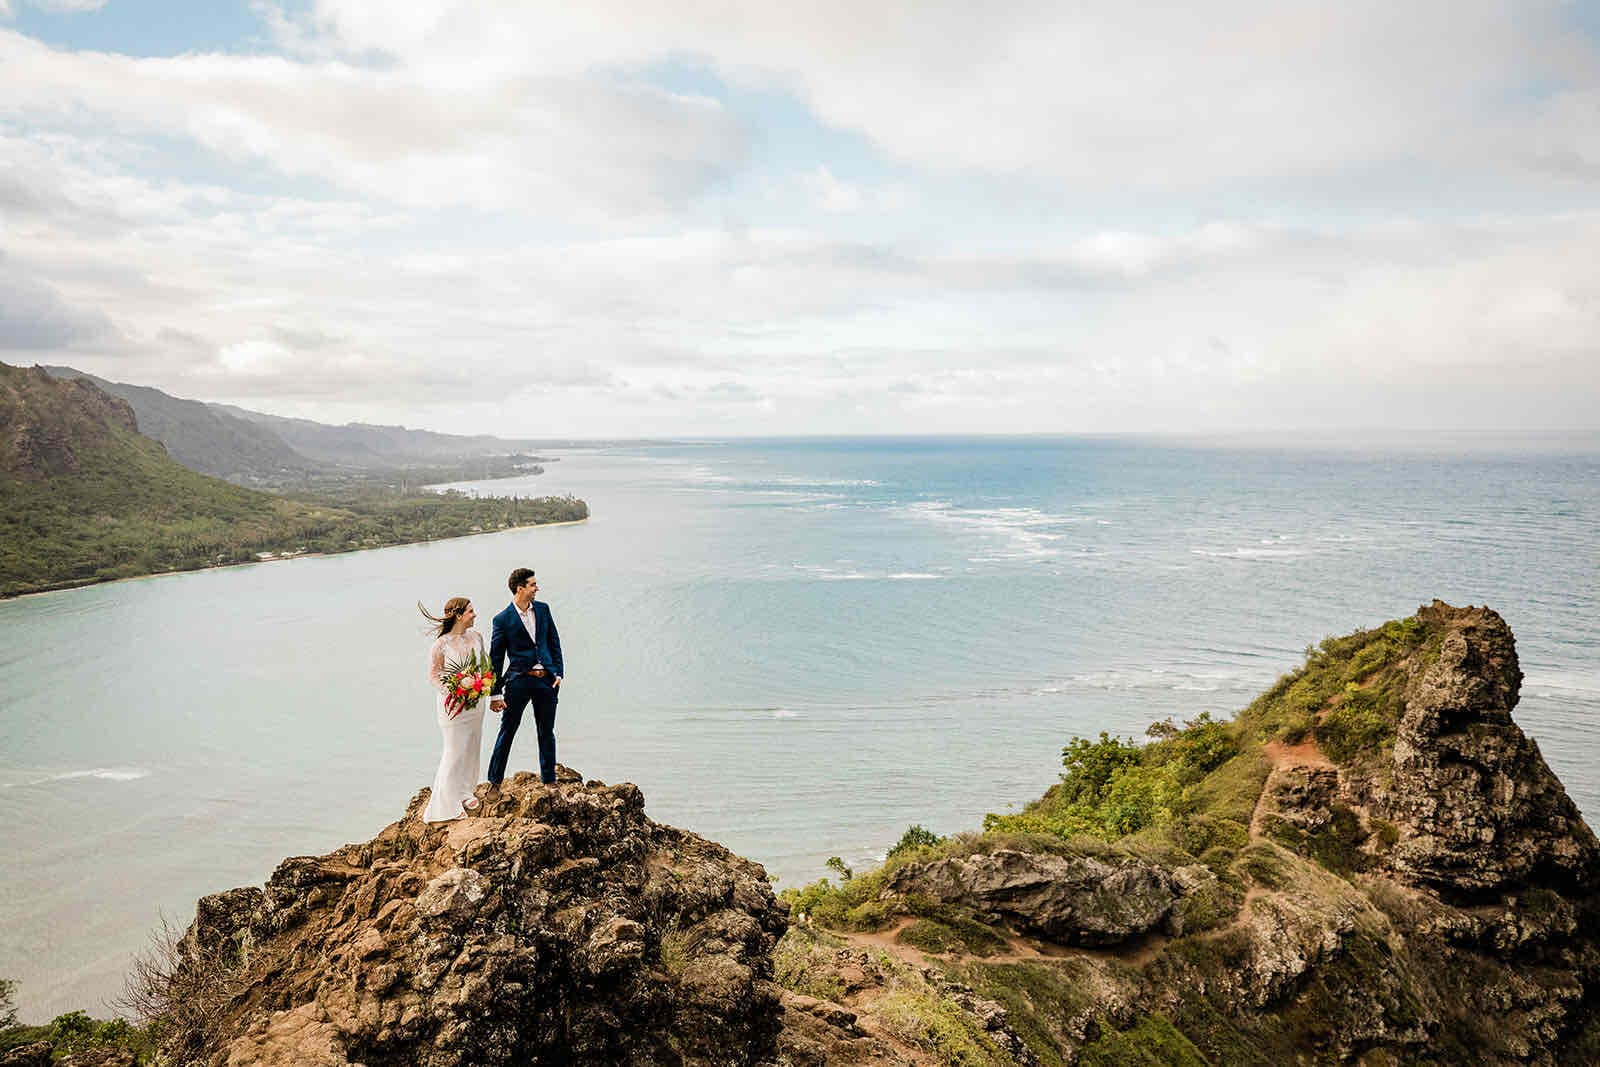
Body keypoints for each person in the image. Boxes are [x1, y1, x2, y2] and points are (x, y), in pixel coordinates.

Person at [488, 567, 564, 787]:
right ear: (520, 588)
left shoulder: (543, 609)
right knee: (508, 730)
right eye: (532, 585)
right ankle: (495, 781)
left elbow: (554, 642)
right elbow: (496, 658)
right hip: (518, 681)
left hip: (546, 680)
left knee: (546, 731)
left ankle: (549, 780)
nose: (536, 588)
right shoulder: (502, 619)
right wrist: (495, 693)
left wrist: (558, 672)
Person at [418, 596, 487, 822]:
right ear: (458, 615)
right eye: (470, 611)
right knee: (454, 751)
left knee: (472, 747)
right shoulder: (441, 644)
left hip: (476, 702)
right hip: (453, 705)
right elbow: (434, 676)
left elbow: (484, 665)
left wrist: (482, 684)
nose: (475, 614)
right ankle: (447, 804)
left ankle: (466, 791)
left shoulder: (477, 637)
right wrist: (454, 690)